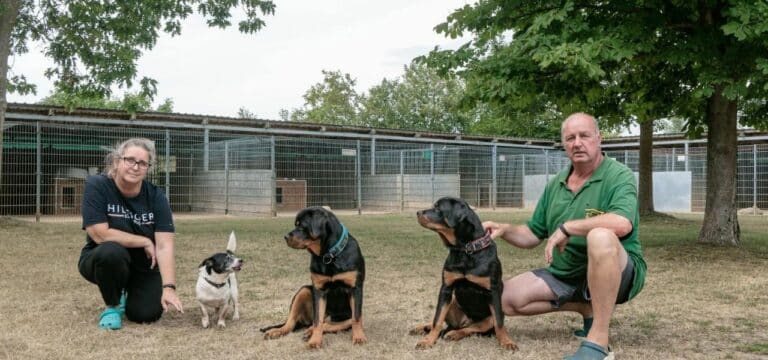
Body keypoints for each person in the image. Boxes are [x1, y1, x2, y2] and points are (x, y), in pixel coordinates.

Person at [484, 113, 646, 360]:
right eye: (570, 138)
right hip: (566, 274)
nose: (577, 143)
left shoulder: (618, 175)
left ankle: (598, 343)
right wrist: (505, 229)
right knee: (504, 300)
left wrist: (569, 227)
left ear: (599, 139)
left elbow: (622, 223)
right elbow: (531, 234)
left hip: (619, 271)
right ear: (564, 144)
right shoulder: (556, 184)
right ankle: (585, 306)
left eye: (584, 136)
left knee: (600, 236)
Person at [78, 137, 183, 330]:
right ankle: (113, 305)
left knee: (146, 314)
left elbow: (165, 245)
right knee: (110, 251)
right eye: (130, 160)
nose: (136, 167)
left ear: (148, 168)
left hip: (144, 265)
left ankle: (129, 292)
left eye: (142, 163)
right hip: (103, 259)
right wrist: (143, 240)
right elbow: (99, 234)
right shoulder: (98, 186)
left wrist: (168, 287)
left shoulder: (156, 197)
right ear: (117, 161)